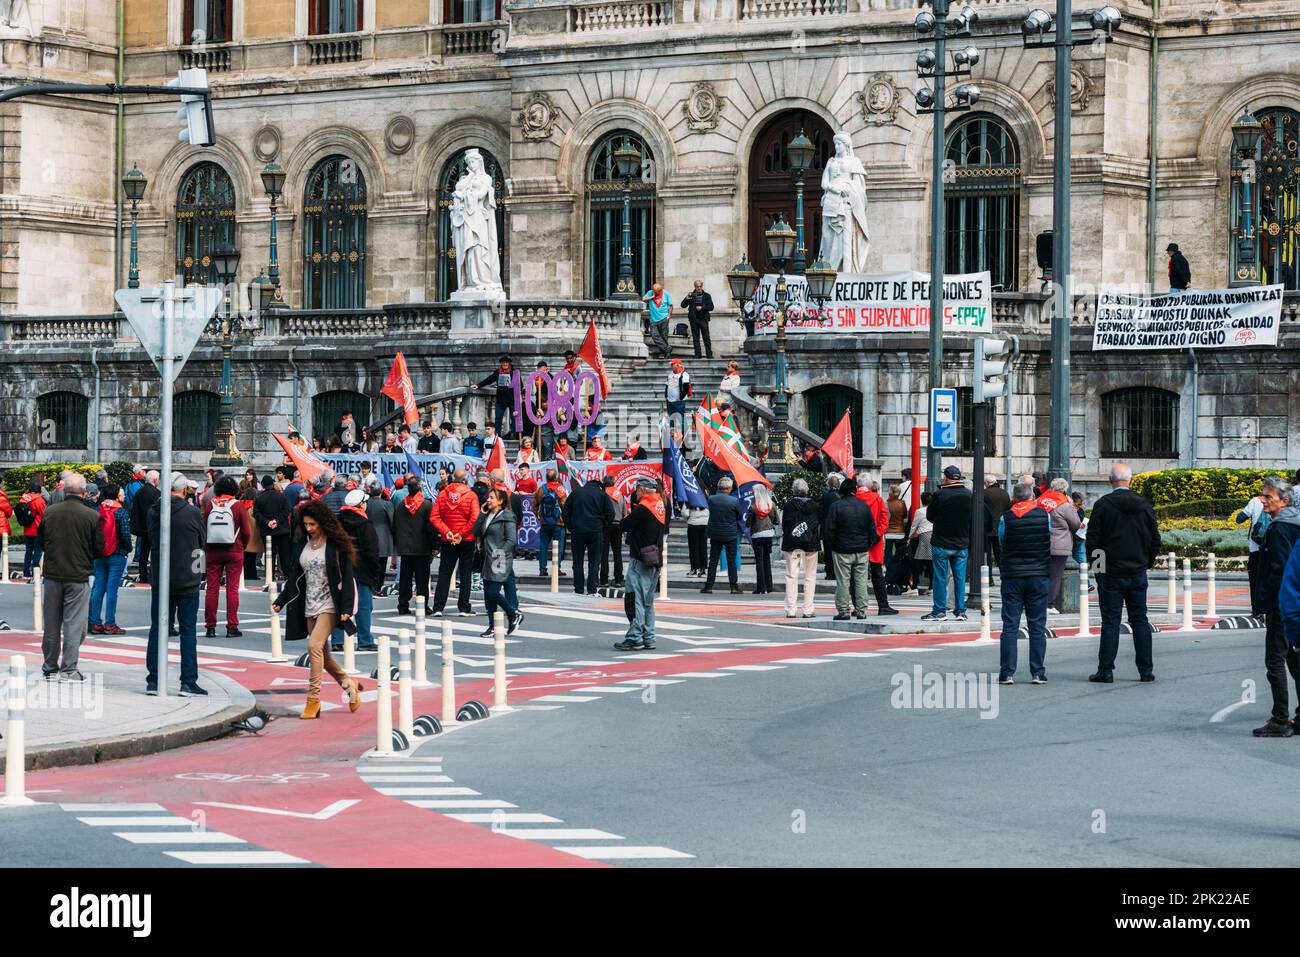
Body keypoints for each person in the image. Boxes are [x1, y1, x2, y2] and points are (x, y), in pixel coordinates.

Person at [273, 501, 363, 719]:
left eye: (313, 524)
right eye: (306, 525)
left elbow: (348, 576)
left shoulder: (335, 545)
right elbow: (296, 577)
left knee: (313, 645)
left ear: (322, 522)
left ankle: (313, 700)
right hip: (310, 604)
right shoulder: (304, 543)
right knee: (323, 655)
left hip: (331, 604)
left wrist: (346, 608)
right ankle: (349, 684)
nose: (309, 528)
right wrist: (282, 599)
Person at [1085, 462, 1160, 684]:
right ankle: (1146, 670)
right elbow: (1155, 540)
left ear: (1110, 481)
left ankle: (1106, 669)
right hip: (1137, 571)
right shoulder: (1144, 505)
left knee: (1110, 621)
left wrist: (1098, 571)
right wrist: (1145, 562)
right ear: (1131, 480)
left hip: (1110, 572)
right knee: (1140, 620)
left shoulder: (1103, 505)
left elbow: (1093, 541)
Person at [31, 474, 101, 683]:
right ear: (83, 492)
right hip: (78, 575)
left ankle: (50, 666)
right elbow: (99, 548)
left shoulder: (50, 512)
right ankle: (69, 669)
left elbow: (42, 542)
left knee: (52, 623)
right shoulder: (91, 516)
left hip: (52, 574)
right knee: (73, 624)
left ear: (64, 491)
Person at [146, 473, 206, 696]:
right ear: (183, 490)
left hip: (161, 577)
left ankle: (154, 679)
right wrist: (200, 574)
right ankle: (188, 682)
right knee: (188, 631)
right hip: (187, 578)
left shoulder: (155, 511)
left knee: (157, 628)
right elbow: (201, 544)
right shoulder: (191, 512)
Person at [1252, 476, 1300, 736]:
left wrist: (1269, 604)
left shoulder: (1280, 528)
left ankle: (1279, 720)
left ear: (1285, 501)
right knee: (1294, 660)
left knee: (1275, 660)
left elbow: (1280, 570)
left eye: (1268, 497)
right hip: (1293, 601)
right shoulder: (1295, 525)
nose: (1263, 500)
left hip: (1283, 603)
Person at [996, 483, 1052, 685]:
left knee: (1010, 625)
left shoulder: (1006, 517)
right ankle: (1038, 672)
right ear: (1031, 497)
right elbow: (1048, 536)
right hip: (1038, 575)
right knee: (1037, 625)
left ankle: (1007, 672)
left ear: (1014, 497)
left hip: (1012, 576)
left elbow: (1002, 541)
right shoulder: (1043, 515)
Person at [614, 479, 667, 651]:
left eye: (637, 490)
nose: (635, 494)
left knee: (636, 598)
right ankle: (649, 637)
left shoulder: (644, 508)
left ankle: (634, 637)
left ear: (643, 491)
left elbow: (624, 525)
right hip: (654, 557)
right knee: (648, 602)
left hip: (640, 558)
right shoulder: (659, 506)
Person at [824, 474, 879, 621]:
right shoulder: (864, 507)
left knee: (843, 581)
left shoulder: (836, 506)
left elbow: (829, 529)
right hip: (861, 549)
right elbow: (872, 529)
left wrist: (832, 545)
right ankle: (861, 610)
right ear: (854, 490)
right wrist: (869, 543)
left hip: (842, 549)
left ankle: (843, 610)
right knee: (861, 581)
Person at [201, 475, 249, 639]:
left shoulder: (210, 504)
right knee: (232, 588)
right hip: (234, 549)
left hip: (213, 550)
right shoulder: (238, 505)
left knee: (212, 588)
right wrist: (243, 544)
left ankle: (210, 626)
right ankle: (232, 625)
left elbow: (204, 525)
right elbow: (246, 531)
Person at [923, 466, 971, 622]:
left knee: (940, 578)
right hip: (962, 542)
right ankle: (960, 611)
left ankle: (939, 611)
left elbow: (930, 516)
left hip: (942, 541)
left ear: (946, 477)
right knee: (959, 578)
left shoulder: (939, 494)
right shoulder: (968, 494)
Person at [335, 489, 381, 653]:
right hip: (362, 570)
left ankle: (337, 640)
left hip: (341, 569)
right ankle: (365, 640)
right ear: (361, 505)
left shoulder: (338, 522)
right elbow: (372, 551)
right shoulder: (365, 524)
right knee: (363, 607)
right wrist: (375, 572)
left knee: (341, 604)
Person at [473, 487, 523, 637]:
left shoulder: (507, 516)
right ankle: (492, 626)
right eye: (488, 497)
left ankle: (512, 613)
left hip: (500, 558)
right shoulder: (487, 515)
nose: (488, 500)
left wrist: (499, 552)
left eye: (492, 498)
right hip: (486, 559)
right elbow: (475, 532)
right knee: (488, 596)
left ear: (500, 501)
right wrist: (481, 515)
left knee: (492, 592)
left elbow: (511, 540)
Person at [430, 468, 481, 617]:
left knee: (444, 573)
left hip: (448, 539)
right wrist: (460, 534)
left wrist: (448, 532)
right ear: (465, 480)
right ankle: (464, 607)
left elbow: (434, 517)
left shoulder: (443, 494)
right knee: (465, 573)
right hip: (466, 539)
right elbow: (475, 518)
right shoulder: (471, 495)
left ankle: (438, 607)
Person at [87, 483, 131, 637]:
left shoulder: (97, 509)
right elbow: (125, 535)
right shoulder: (121, 512)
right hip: (117, 554)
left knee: (98, 588)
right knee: (112, 590)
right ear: (117, 495)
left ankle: (94, 622)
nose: (124, 495)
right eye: (122, 493)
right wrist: (128, 549)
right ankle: (110, 623)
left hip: (99, 554)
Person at [565, 472, 615, 596]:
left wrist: (571, 526)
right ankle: (592, 589)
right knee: (594, 561)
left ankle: (578, 589)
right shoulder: (602, 495)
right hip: (595, 531)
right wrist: (603, 526)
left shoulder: (575, 493)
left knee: (577, 561)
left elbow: (565, 512)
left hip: (578, 531)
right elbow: (611, 513)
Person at [853, 474, 897, 615]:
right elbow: (884, 521)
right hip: (874, 543)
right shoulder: (877, 499)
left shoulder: (853, 499)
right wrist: (877, 535)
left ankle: (858, 607)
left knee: (856, 577)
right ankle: (883, 605)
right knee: (878, 575)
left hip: (856, 542)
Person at [1038, 477, 1081, 615]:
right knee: (1055, 575)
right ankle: (1049, 604)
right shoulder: (1065, 505)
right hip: (1059, 545)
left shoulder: (1041, 500)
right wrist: (1071, 506)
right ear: (1064, 490)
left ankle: (1036, 601)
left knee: (1041, 574)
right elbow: (1075, 524)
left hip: (1041, 543)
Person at [394, 475, 435, 616]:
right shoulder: (426, 505)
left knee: (405, 578)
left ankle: (403, 604)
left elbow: (396, 526)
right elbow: (431, 528)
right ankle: (423, 605)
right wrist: (435, 545)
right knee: (422, 580)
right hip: (422, 548)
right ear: (420, 488)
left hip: (405, 548)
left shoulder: (401, 505)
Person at [781, 478, 821, 618]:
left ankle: (791, 610)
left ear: (793, 491)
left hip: (792, 543)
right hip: (810, 543)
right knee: (810, 577)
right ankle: (808, 609)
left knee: (791, 576)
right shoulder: (815, 506)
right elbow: (817, 525)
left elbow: (785, 525)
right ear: (807, 491)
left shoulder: (788, 506)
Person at [702, 477, 746, 595]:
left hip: (715, 533)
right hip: (730, 533)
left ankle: (709, 586)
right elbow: (740, 516)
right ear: (728, 488)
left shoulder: (712, 499)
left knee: (713, 560)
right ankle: (733, 586)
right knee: (731, 560)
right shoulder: (734, 501)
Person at [254, 474, 291, 581]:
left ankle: (270, 578)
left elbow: (256, 513)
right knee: (284, 555)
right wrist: (277, 521)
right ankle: (287, 578)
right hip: (282, 530)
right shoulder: (282, 496)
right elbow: (286, 511)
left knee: (269, 555)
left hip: (267, 530)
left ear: (263, 485)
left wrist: (267, 522)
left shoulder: (259, 498)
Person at [1237, 491, 1268, 616]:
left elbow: (1239, 519)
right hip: (1273, 548)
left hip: (1256, 548)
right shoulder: (1282, 501)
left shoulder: (1255, 501)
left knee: (1255, 580)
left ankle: (1257, 610)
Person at [745, 484, 779, 595]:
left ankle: (761, 587)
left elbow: (748, 523)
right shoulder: (771, 505)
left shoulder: (753, 507)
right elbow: (776, 521)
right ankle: (769, 586)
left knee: (759, 561)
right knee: (766, 559)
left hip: (757, 535)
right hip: (768, 534)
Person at [535, 468, 567, 578]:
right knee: (558, 546)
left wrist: (540, 517)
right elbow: (565, 506)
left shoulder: (541, 489)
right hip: (558, 523)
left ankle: (542, 569)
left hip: (544, 523)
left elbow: (534, 506)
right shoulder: (561, 489)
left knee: (543, 546)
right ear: (556, 477)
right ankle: (556, 569)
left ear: (546, 478)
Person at [475, 355, 516, 438]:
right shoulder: (497, 372)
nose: (505, 364)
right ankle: (497, 435)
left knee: (514, 418)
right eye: (503, 362)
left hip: (512, 399)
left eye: (506, 362)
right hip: (501, 400)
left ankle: (514, 435)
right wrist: (478, 385)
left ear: (509, 364)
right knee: (498, 419)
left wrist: (522, 392)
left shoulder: (514, 373)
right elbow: (489, 379)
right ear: (501, 364)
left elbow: (520, 385)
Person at [17, 476, 47, 579]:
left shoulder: (23, 499)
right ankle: (35, 572)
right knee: (38, 551)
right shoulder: (39, 500)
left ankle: (26, 572)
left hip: (27, 529)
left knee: (28, 551)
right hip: (37, 529)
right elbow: (44, 514)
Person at [599, 475, 627, 587]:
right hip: (618, 525)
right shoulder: (620, 495)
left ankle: (604, 580)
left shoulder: (602, 495)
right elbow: (625, 512)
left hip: (605, 526)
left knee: (604, 554)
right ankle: (619, 580)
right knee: (617, 554)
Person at [983, 477, 1011, 584]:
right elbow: (1008, 509)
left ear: (987, 483)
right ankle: (1004, 576)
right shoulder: (1004, 493)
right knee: (1000, 554)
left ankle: (989, 578)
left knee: (987, 555)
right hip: (1000, 528)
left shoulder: (984, 494)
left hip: (987, 528)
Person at [681, 280, 715, 358]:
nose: (699, 288)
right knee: (696, 338)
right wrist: (686, 298)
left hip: (703, 319)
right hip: (694, 319)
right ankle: (697, 354)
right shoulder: (691, 295)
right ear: (695, 287)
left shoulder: (707, 295)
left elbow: (711, 307)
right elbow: (683, 305)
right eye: (697, 287)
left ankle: (709, 354)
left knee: (706, 337)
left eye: (700, 286)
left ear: (702, 286)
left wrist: (702, 308)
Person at [819, 472, 843, 582]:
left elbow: (821, 512)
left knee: (828, 552)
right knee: (838, 551)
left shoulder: (825, 496)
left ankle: (829, 573)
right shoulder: (842, 496)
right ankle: (838, 572)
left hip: (827, 527)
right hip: (839, 528)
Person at [909, 490, 934, 594]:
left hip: (923, 536)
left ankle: (915, 586)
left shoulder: (920, 511)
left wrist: (909, 537)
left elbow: (914, 525)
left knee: (916, 561)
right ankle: (931, 586)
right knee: (931, 562)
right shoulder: (934, 510)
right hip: (934, 535)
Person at [884, 484, 909, 583]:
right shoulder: (902, 503)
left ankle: (889, 573)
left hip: (889, 532)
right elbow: (904, 516)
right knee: (899, 555)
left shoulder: (886, 503)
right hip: (900, 532)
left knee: (888, 554)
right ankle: (897, 573)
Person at [642, 281, 673, 358]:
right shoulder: (650, 293)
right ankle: (667, 348)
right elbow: (643, 299)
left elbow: (671, 306)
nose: (655, 293)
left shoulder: (666, 294)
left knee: (663, 336)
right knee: (654, 335)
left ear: (660, 290)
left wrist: (668, 316)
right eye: (654, 291)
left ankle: (663, 353)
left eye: (656, 292)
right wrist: (651, 297)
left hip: (664, 318)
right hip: (653, 319)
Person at [685, 499, 710, 578]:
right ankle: (703, 569)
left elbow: (685, 513)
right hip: (704, 523)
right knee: (703, 547)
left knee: (693, 547)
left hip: (693, 523)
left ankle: (695, 569)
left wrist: (688, 519)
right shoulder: (705, 497)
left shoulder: (690, 496)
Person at [665, 357, 692, 424]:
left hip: (679, 401)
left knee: (681, 418)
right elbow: (667, 385)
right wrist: (666, 395)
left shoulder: (684, 374)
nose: (671, 366)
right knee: (671, 418)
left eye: (672, 364)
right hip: (670, 400)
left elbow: (686, 388)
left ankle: (684, 433)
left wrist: (681, 398)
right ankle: (672, 433)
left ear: (677, 365)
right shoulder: (670, 374)